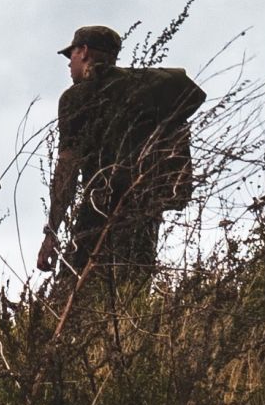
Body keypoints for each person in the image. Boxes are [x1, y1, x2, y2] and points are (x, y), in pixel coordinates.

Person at [39, 25, 204, 285]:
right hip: (145, 206)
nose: (68, 64)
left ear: (83, 51)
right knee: (133, 283)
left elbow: (67, 166)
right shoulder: (146, 89)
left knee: (75, 286)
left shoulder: (77, 97)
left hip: (99, 206)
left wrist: (52, 231)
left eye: (70, 55)